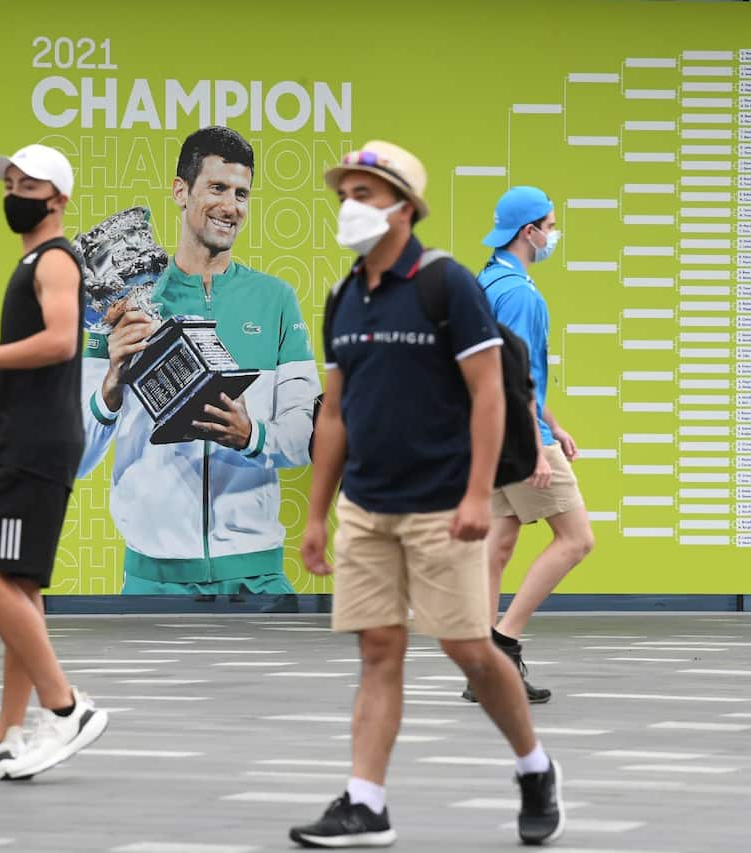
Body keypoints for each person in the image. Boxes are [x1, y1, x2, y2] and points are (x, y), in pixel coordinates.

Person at [290, 141, 564, 848]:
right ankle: (365, 800)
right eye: (345, 193)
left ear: (404, 207)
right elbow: (335, 413)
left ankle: (534, 767)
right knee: (379, 649)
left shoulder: (448, 284)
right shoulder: (343, 296)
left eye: (366, 193)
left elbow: (486, 395)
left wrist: (479, 494)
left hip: (444, 503)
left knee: (470, 649)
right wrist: (317, 515)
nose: (351, 205)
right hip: (367, 506)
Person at [79, 126, 319, 599]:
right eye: (217, 188)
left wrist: (252, 437)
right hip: (153, 579)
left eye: (242, 193)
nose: (231, 206)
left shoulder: (275, 301)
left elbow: (310, 432)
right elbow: (72, 456)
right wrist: (109, 387)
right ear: (180, 191)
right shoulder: (121, 304)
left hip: (256, 576)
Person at [0, 143, 109, 780]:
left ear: (58, 199)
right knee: (17, 586)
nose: (13, 191)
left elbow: (62, 340)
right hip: (27, 434)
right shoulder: (37, 262)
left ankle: (65, 707)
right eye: (9, 181)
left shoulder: (55, 260)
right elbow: (48, 362)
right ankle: (6, 734)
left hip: (35, 449)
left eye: (27, 182)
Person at [465, 186, 595, 705]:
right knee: (577, 540)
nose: (553, 234)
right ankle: (504, 641)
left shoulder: (487, 281)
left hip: (491, 433)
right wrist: (537, 447)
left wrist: (553, 421)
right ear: (529, 231)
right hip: (518, 438)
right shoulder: (519, 293)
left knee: (497, 548)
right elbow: (511, 375)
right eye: (551, 224)